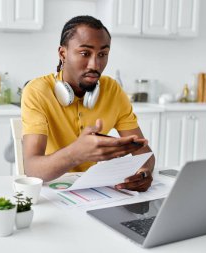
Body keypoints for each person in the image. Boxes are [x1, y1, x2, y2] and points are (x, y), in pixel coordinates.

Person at [21, 15, 155, 192]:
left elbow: (144, 153)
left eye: (102, 54)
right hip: (51, 190)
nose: (95, 64)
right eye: (85, 53)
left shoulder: (112, 90)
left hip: (94, 189)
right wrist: (76, 153)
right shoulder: (37, 91)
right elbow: (32, 169)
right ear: (63, 53)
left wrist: (144, 173)